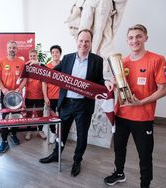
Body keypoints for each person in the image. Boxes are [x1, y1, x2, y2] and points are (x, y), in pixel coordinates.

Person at [39, 29, 113, 177]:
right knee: (62, 132)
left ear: (91, 43)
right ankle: (56, 154)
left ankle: (77, 160)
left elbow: (98, 80)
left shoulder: (97, 60)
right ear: (76, 42)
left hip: (84, 106)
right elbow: (52, 72)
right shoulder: (66, 59)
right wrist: (38, 65)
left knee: (82, 135)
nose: (83, 44)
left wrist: (106, 81)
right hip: (66, 103)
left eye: (87, 41)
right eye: (81, 41)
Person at [104, 24, 166, 188]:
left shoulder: (157, 59)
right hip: (121, 115)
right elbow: (120, 85)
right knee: (119, 149)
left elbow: (164, 90)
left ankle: (145, 184)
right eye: (131, 37)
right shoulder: (121, 62)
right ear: (127, 40)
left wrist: (142, 102)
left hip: (143, 117)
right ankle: (119, 173)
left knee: (145, 155)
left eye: (139, 36)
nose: (135, 40)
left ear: (146, 38)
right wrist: (112, 84)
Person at [0, 41, 27, 153]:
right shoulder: (1, 61)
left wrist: (19, 88)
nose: (12, 49)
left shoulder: (21, 62)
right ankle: (4, 141)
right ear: (7, 49)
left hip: (17, 95)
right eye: (10, 48)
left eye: (14, 48)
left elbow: (25, 78)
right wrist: (3, 89)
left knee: (15, 117)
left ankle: (14, 134)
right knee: (5, 118)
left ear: (17, 49)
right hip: (5, 94)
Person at [24, 49, 46, 141]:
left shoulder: (41, 67)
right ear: (29, 57)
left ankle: (40, 131)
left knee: (40, 115)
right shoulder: (26, 67)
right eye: (31, 56)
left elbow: (47, 75)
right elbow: (21, 80)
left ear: (37, 56)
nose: (33, 57)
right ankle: (29, 131)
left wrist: (39, 63)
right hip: (29, 96)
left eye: (34, 56)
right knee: (28, 115)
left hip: (40, 96)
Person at [42, 45, 62, 143]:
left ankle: (60, 136)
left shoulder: (64, 65)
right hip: (51, 97)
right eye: (53, 52)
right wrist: (45, 97)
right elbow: (44, 83)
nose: (55, 54)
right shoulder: (47, 66)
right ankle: (53, 134)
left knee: (63, 117)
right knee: (52, 118)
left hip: (63, 97)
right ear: (51, 54)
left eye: (57, 52)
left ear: (60, 54)